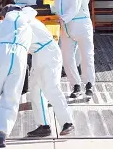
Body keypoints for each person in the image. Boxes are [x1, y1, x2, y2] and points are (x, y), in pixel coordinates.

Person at [0, 4, 36, 147]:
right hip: (19, 58)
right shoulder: (27, 25)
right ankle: (2, 135)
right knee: (11, 97)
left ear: (4, 14)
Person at [22, 7, 75, 137]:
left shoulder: (24, 24)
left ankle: (68, 122)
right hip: (39, 55)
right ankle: (44, 125)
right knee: (36, 91)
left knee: (51, 88)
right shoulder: (28, 20)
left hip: (48, 54)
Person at [55, 0, 95, 98]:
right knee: (67, 59)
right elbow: (56, 9)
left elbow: (75, 7)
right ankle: (75, 85)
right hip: (66, 29)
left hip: (82, 26)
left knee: (86, 56)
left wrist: (64, 18)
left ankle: (89, 84)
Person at [69, 0, 92, 74]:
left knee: (83, 49)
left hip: (83, 21)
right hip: (70, 22)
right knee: (68, 48)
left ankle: (79, 67)